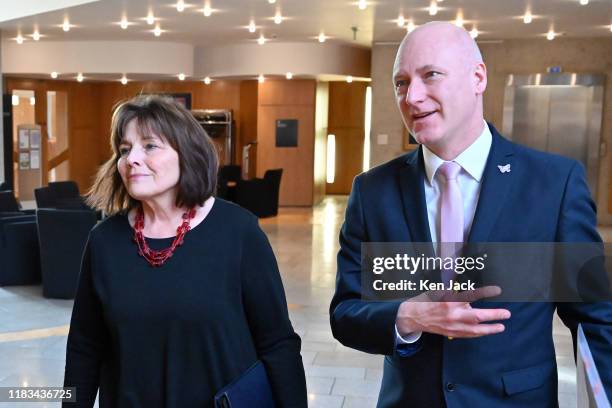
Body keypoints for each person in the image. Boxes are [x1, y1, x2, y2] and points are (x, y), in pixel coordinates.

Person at [330, 21, 611, 407]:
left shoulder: (553, 185)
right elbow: (346, 313)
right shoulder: (373, 192)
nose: (412, 96)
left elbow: (595, 318)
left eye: (431, 75)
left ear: (477, 77)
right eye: (401, 82)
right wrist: (408, 317)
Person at [63, 95, 307, 407]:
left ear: (186, 153)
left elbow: (278, 344)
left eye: (149, 145)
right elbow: (84, 347)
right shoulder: (103, 242)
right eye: (125, 150)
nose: (131, 159)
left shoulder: (238, 231)